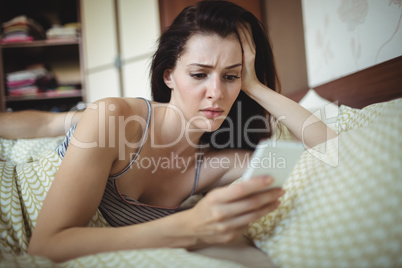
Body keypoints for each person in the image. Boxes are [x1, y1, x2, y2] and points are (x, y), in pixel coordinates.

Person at [27, 0, 337, 264]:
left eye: (230, 77)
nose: (216, 92)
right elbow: (45, 245)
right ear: (169, 76)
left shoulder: (222, 162)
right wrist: (187, 225)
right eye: (199, 74)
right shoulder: (113, 118)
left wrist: (254, 84)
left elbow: (331, 151)